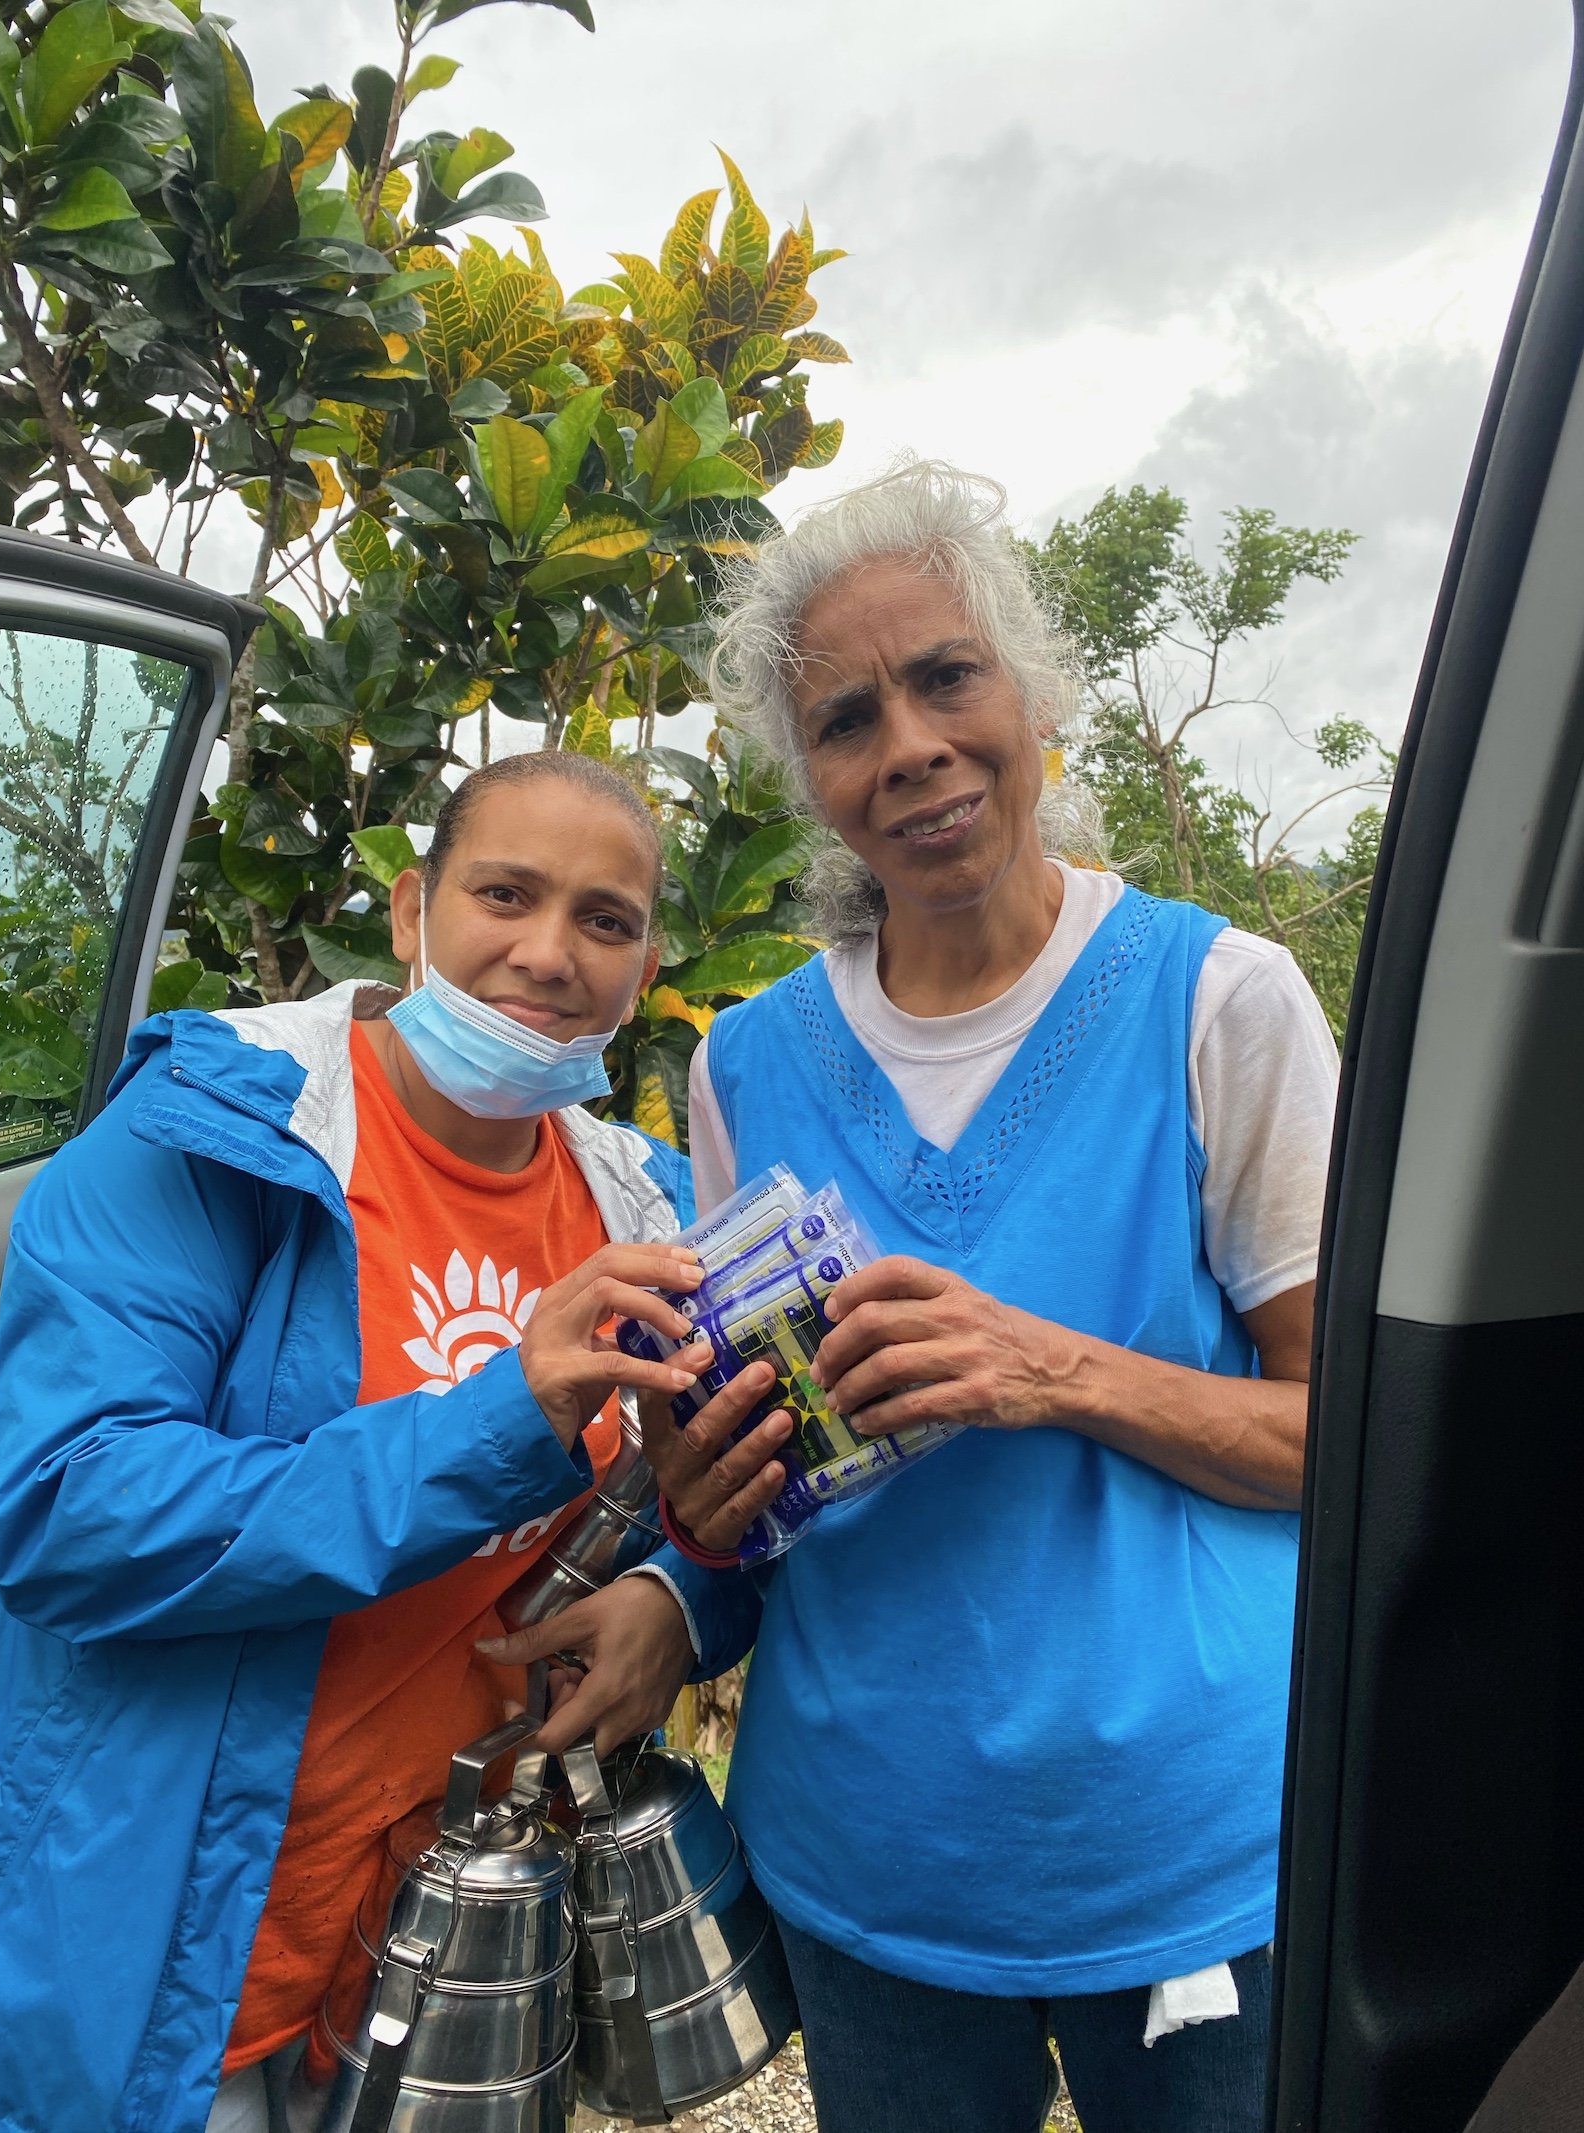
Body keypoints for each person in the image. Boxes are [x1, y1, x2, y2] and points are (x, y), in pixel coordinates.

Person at [522, 461, 1340, 2133]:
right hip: (871, 1858)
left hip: (1187, 1847)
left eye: (947, 676)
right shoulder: (745, 1061)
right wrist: (684, 1560)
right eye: (844, 718)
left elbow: (1356, 1438)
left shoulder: (1219, 1002)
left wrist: (1055, 1369)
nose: (909, 745)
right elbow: (763, 1472)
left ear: (1033, 693)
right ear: (808, 776)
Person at [0, 752, 709, 2133]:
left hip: (445, 1973)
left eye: (605, 921)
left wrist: (678, 1599)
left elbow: (700, 1502)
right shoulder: (220, 1136)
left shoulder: (638, 1204)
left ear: (647, 959)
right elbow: (66, 1509)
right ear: (409, 909)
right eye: (506, 893)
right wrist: (508, 1415)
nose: (549, 953)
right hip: (174, 1956)